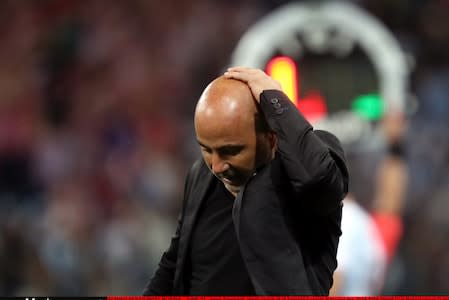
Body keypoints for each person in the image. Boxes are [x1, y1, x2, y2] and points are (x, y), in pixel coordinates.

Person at [143, 67, 349, 295]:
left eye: (231, 150)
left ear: (271, 138)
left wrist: (275, 99)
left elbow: (317, 178)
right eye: (206, 149)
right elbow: (174, 264)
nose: (217, 166)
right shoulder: (201, 175)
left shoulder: (300, 172)